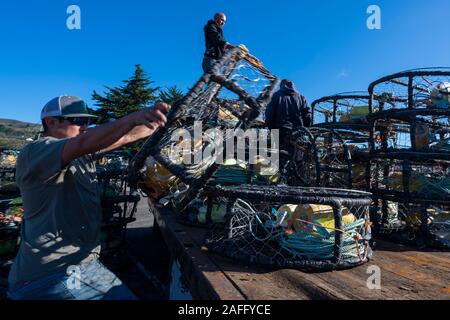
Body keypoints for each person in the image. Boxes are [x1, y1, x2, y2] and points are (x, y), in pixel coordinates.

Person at [7, 95, 169, 300]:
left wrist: (158, 121)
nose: (85, 127)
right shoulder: (37, 150)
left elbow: (126, 137)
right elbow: (85, 141)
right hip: (51, 274)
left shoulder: (82, 154)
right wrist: (132, 117)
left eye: (89, 122)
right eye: (79, 121)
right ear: (51, 122)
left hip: (81, 266)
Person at [265, 79, 312, 145]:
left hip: (280, 134)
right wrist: (304, 130)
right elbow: (307, 116)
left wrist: (273, 131)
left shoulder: (275, 96)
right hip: (298, 134)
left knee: (279, 154)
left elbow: (269, 115)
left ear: (281, 86)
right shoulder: (301, 98)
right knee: (298, 153)